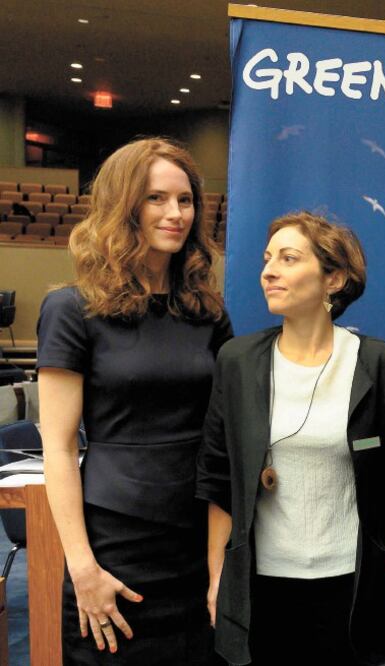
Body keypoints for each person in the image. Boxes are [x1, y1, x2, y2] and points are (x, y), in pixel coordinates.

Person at [196, 212, 385, 665]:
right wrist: (218, 575)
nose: (269, 270)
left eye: (288, 258)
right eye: (267, 259)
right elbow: (217, 477)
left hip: (351, 582)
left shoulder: (377, 364)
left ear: (334, 279)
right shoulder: (237, 361)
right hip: (260, 585)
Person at [37, 137, 231, 663]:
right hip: (115, 549)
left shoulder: (208, 312)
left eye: (186, 199)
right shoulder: (71, 309)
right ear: (124, 206)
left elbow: (226, 440)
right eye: (156, 199)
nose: (176, 213)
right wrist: (82, 568)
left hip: (196, 540)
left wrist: (220, 567)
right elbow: (56, 449)